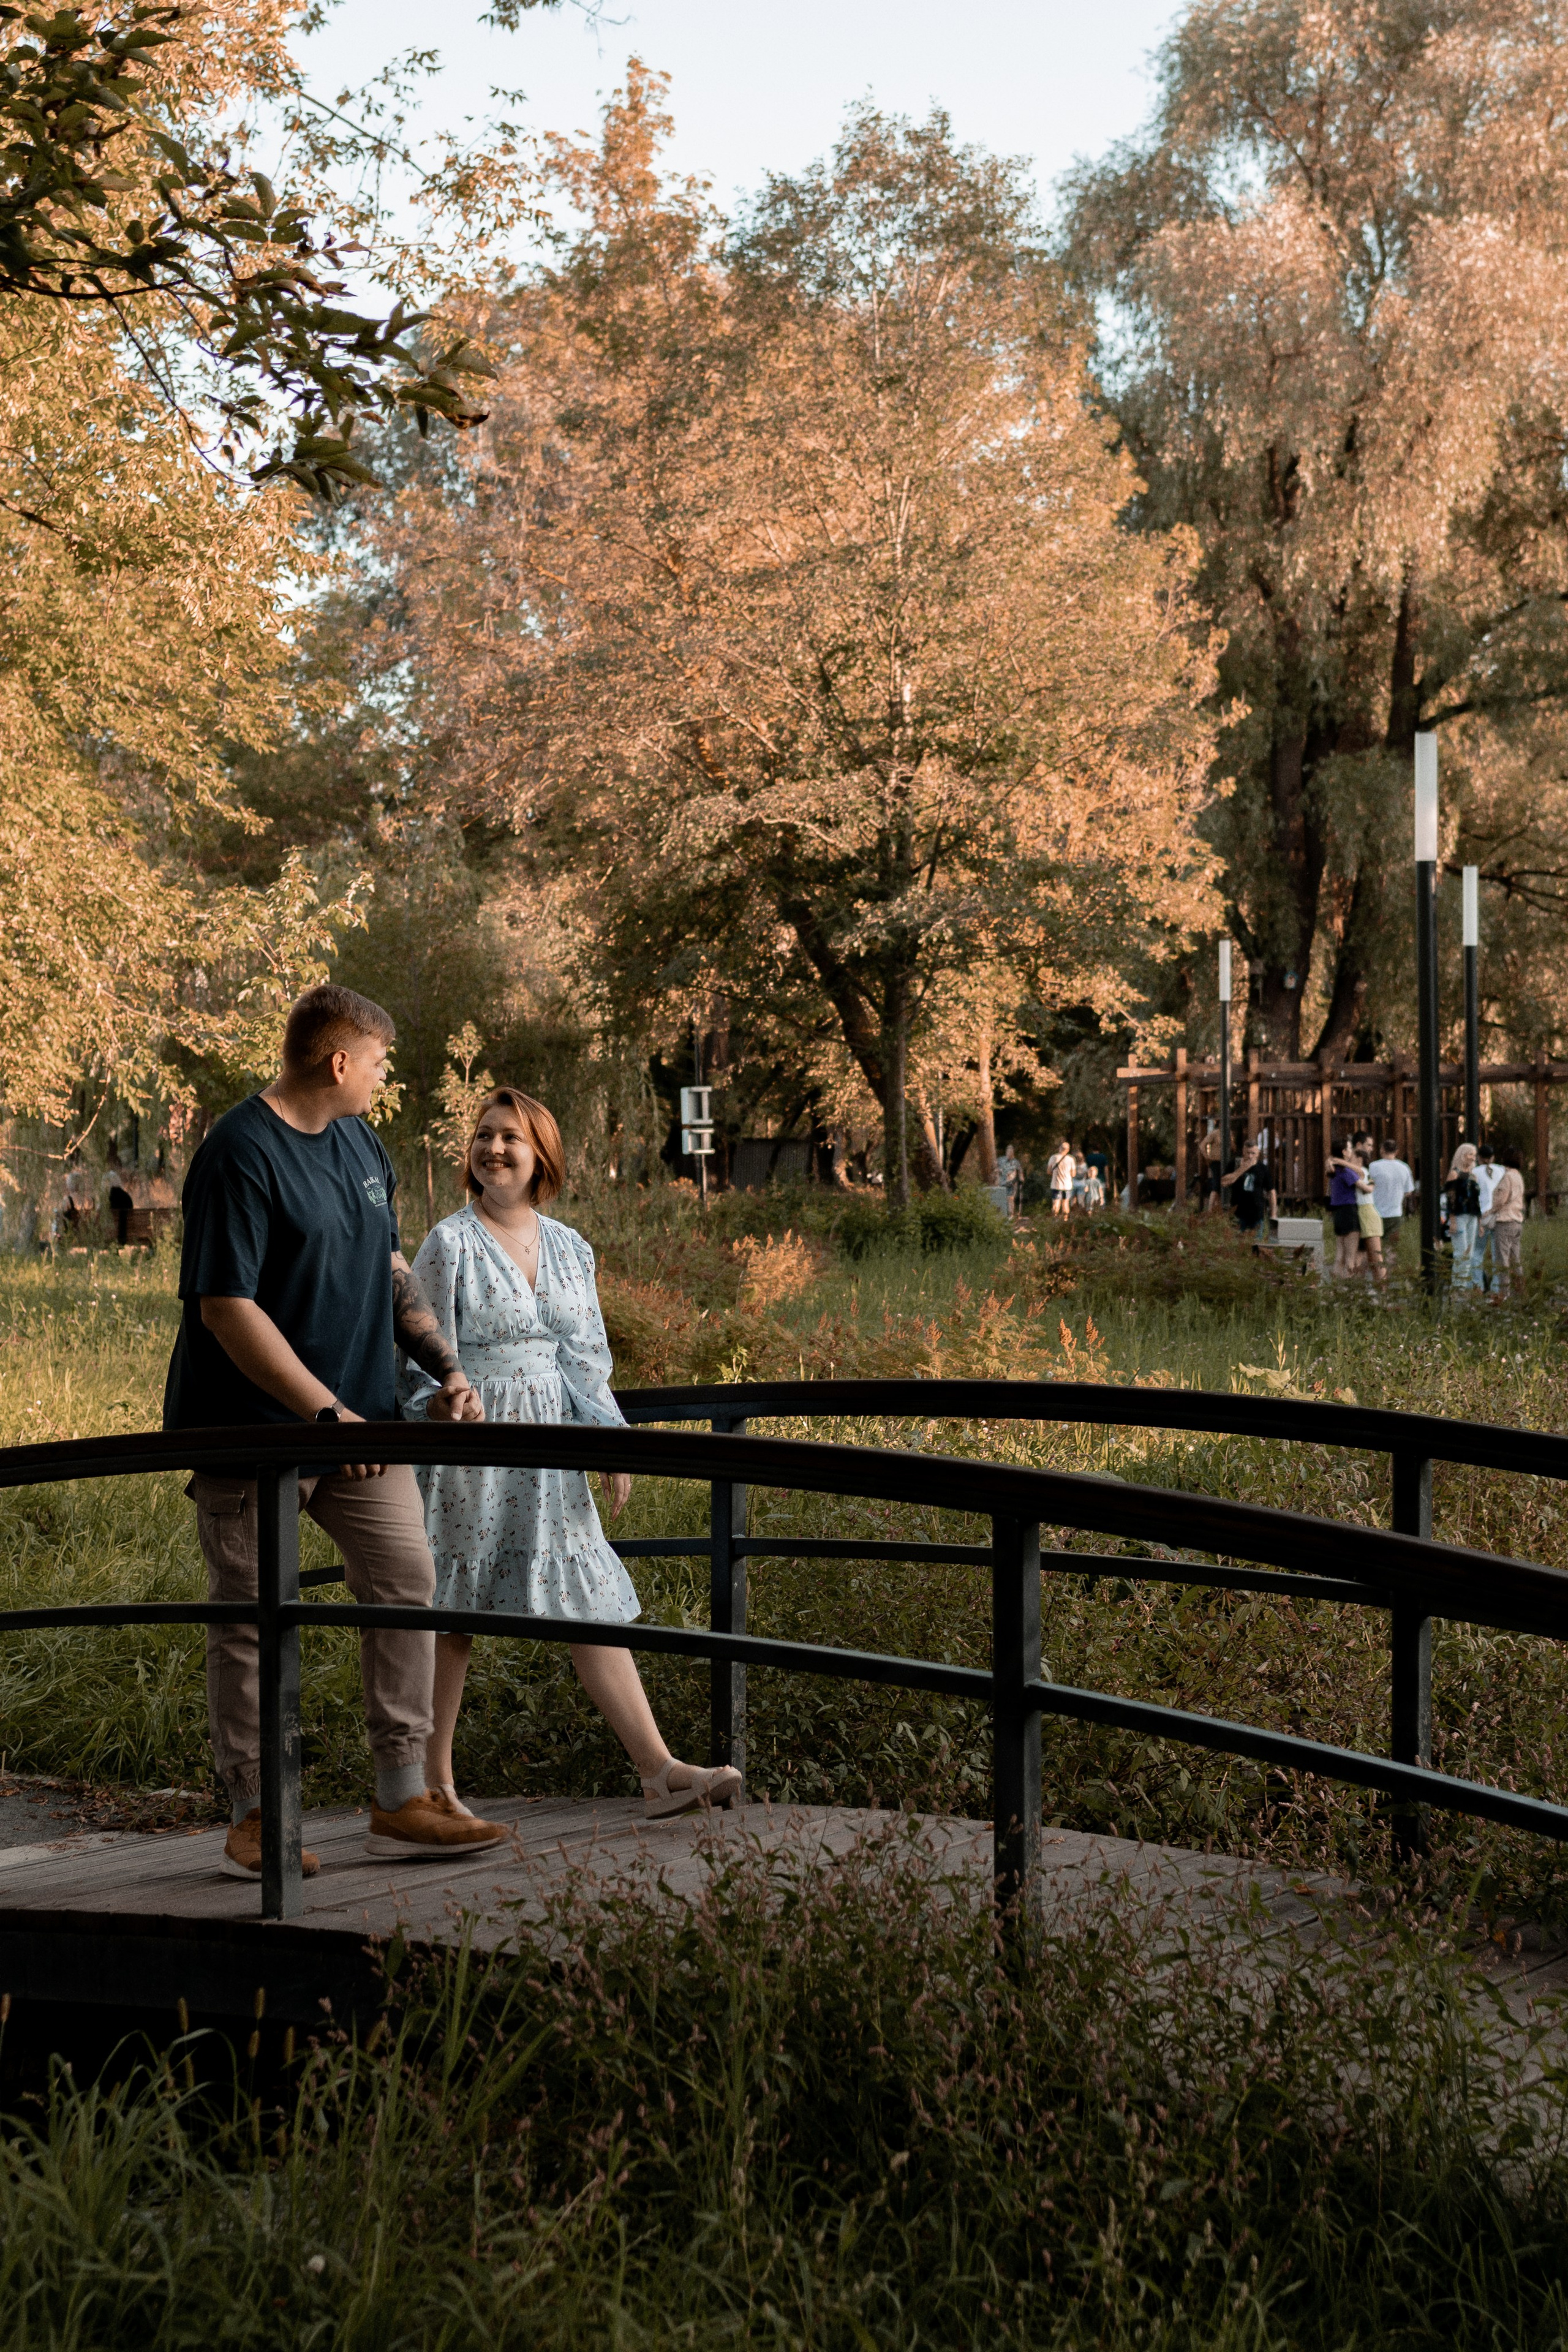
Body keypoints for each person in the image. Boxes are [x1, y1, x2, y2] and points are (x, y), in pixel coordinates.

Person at [164, 984, 508, 1880]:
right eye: (381, 1063)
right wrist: (326, 1414)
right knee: (252, 1617)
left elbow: (387, 1267)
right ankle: (256, 1816)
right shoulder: (240, 1152)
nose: (385, 1079)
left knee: (406, 1583)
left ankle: (402, 1797)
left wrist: (447, 1367)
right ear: (340, 1061)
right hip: (254, 1432)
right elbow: (226, 1308)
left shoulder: (362, 1143)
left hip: (360, 1424)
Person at [401, 1087, 742, 1820]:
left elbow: (584, 1360)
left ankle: (658, 1772)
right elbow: (418, 1351)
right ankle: (432, 1788)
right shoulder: (450, 1243)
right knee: (453, 1611)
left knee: (585, 1599)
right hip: (472, 1447)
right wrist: (439, 1402)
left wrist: (608, 1441)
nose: (493, 1149)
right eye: (484, 1135)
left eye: (510, 1138)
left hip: (551, 1449)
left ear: (541, 1156)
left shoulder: (569, 1247)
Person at [1367, 1138, 1414, 1267]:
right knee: (1391, 1247)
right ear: (1397, 1151)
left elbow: (1367, 1185)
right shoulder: (1404, 1168)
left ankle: (1375, 1271)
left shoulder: (1373, 1167)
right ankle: (1389, 1273)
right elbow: (1409, 1191)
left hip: (1375, 1212)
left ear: (1382, 1150)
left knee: (1373, 1248)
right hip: (1395, 1213)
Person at [1487, 1145, 1526, 1298]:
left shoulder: (1507, 1177)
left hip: (1505, 1221)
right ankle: (1519, 1293)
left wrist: (1490, 1211)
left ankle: (1504, 1294)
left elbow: (1501, 1199)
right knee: (1515, 1260)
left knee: (1502, 1260)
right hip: (1517, 1221)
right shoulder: (1518, 1177)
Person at [1220, 1139, 1275, 1242]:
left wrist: (1273, 1214)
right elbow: (1224, 1182)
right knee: (1237, 1244)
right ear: (1243, 1152)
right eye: (1248, 1153)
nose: (1250, 1156)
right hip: (1238, 1213)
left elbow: (1271, 1191)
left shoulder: (1263, 1168)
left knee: (1256, 1244)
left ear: (1258, 1153)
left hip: (1257, 1214)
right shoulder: (1234, 1164)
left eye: (1253, 1153)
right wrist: (1242, 1169)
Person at [1325, 1140, 1364, 1278]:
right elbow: (1361, 1176)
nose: (1352, 1151)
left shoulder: (1333, 1171)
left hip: (1338, 1212)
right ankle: (1348, 1285)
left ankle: (1334, 1286)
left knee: (1340, 1255)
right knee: (1350, 1257)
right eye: (1349, 1148)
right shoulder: (1346, 1171)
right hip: (1349, 1211)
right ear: (1344, 1152)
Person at [1447, 1143, 1482, 1294]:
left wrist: (1480, 1222)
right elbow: (1451, 1197)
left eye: (1474, 1155)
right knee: (1461, 1253)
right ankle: (1458, 1287)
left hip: (1472, 1216)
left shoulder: (1474, 1176)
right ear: (1462, 1155)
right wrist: (1452, 1220)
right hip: (1459, 1216)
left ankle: (1464, 1286)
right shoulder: (1454, 1174)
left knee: (1470, 1253)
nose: (1473, 1158)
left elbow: (1477, 1200)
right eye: (1470, 1154)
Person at [1474, 1142, 1503, 1294]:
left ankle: (1478, 1286)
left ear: (1479, 1158)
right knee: (1498, 1254)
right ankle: (1497, 1289)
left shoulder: (1475, 1172)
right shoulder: (1501, 1170)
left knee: (1477, 1252)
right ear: (1493, 1157)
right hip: (1499, 1215)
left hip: (1482, 1216)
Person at [1045, 1139, 1074, 1219]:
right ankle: (1065, 1220)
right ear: (1068, 1150)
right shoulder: (1071, 1159)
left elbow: (1049, 1171)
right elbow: (1073, 1174)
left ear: (1060, 1148)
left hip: (1056, 1185)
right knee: (1066, 1204)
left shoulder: (1053, 1157)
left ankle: (1055, 1220)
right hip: (1067, 1186)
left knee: (1056, 1204)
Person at [997, 1144, 1023, 1219]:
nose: (1009, 1154)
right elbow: (994, 1167)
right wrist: (997, 1171)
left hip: (1012, 1184)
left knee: (1010, 1199)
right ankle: (1002, 1216)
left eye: (1010, 1152)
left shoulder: (1016, 1162)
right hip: (1002, 1183)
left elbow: (1020, 1171)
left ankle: (1011, 1215)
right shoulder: (1001, 1160)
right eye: (1008, 1152)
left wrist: (1021, 1179)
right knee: (1002, 1199)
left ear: (1013, 1153)